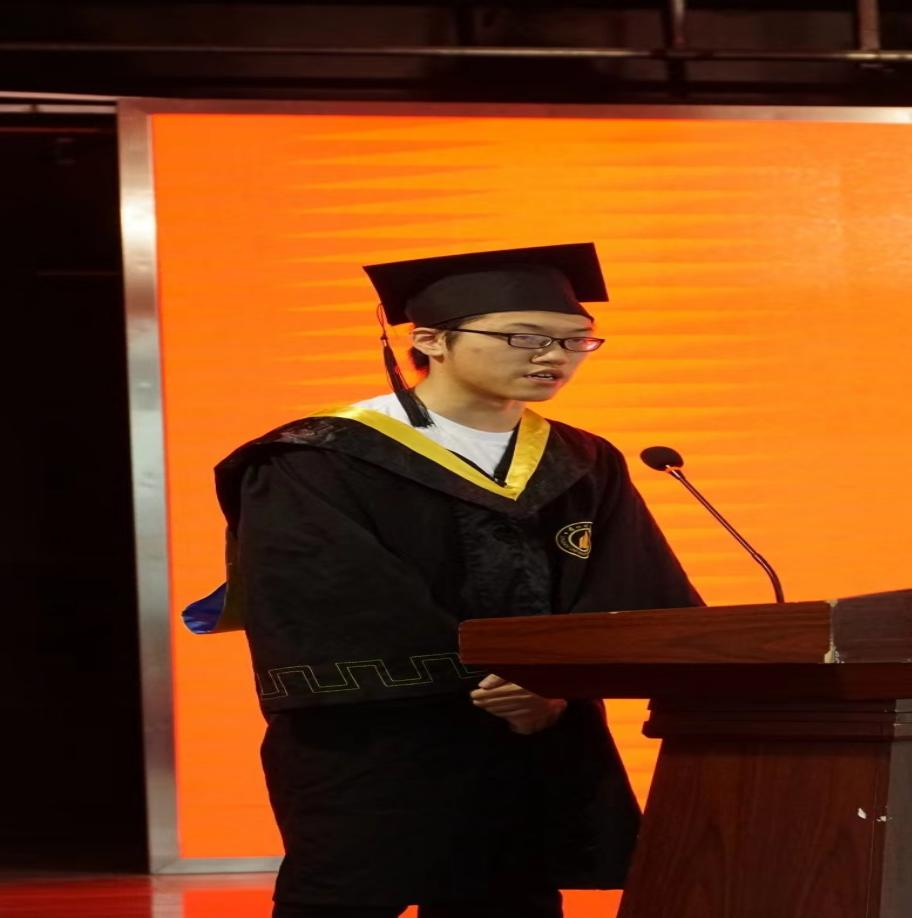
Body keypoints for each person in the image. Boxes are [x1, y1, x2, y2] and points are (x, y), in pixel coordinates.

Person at [203, 243, 702, 918]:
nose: (553, 356)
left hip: (532, 737)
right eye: (524, 337)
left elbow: (629, 587)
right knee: (344, 900)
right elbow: (331, 595)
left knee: (512, 900)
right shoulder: (315, 459)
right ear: (431, 340)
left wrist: (557, 686)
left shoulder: (583, 461)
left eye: (574, 341)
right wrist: (510, 681)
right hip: (379, 741)